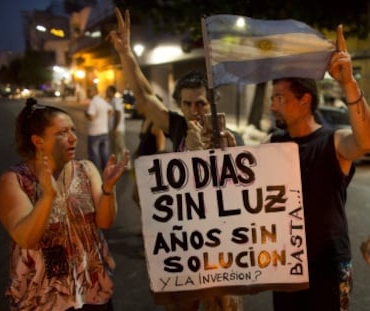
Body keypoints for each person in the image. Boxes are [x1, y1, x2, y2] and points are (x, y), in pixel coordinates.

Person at [109, 8, 243, 311]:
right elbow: (143, 97)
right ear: (180, 105)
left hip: (221, 246)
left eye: (200, 104)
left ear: (211, 104)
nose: (194, 110)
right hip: (184, 244)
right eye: (187, 104)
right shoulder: (178, 126)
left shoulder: (230, 138)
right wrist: (126, 52)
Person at [265, 25, 370, 311]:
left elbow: (365, 140)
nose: (273, 106)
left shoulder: (332, 142)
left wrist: (349, 83)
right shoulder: (271, 144)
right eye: (272, 99)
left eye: (280, 98)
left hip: (328, 267)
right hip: (286, 266)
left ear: (305, 100)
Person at [0, 98, 129, 311]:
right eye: (62, 132)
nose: (74, 138)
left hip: (91, 290)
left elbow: (104, 222)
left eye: (73, 130)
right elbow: (26, 238)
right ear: (38, 140)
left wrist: (108, 188)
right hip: (43, 297)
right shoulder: (15, 180)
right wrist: (47, 196)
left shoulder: (86, 169)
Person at [86, 85, 113, 172]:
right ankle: (106, 171)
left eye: (89, 91)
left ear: (95, 92)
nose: (88, 93)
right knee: (104, 154)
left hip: (94, 133)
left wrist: (86, 114)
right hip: (104, 131)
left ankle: (95, 173)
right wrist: (105, 118)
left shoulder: (93, 102)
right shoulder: (102, 101)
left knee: (94, 155)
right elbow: (111, 110)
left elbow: (91, 117)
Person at [106, 85, 127, 164]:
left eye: (108, 91)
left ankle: (126, 164)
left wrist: (115, 128)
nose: (106, 92)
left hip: (117, 129)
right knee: (115, 148)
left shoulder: (116, 101)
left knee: (120, 147)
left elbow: (118, 114)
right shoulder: (111, 101)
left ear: (112, 92)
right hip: (114, 128)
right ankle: (119, 164)